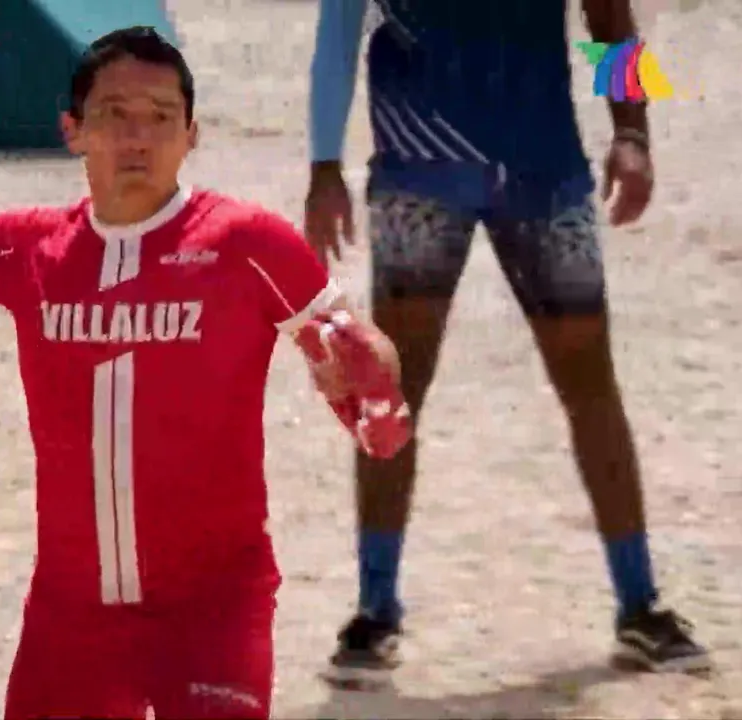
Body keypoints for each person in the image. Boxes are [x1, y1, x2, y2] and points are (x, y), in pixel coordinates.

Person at [0, 25, 411, 719]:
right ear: (72, 131)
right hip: (70, 617)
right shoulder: (27, 248)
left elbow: (356, 343)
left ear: (191, 135)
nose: (138, 136)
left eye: (161, 117)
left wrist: (366, 374)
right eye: (114, 114)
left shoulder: (245, 243)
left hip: (214, 612)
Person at [304, 0, 710, 685]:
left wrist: (633, 133)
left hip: (543, 171)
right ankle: (374, 610)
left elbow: (612, 20)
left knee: (589, 382)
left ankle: (641, 603)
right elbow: (336, 36)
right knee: (393, 389)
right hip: (419, 173)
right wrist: (323, 166)